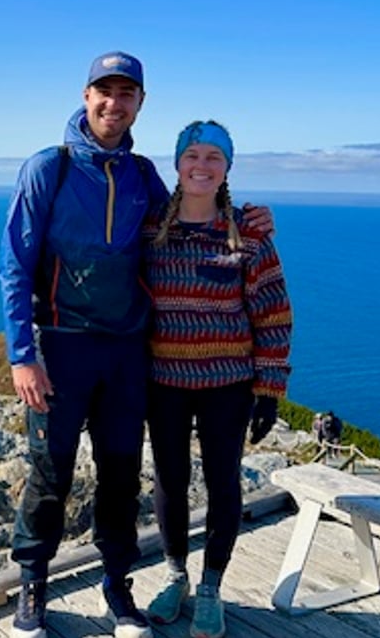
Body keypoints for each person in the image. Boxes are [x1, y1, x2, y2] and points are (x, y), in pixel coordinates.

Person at [0, 55, 272, 638]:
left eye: (127, 93)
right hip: (61, 347)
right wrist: (22, 353)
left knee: (120, 475)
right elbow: (14, 264)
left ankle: (118, 589)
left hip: (126, 354)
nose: (114, 103)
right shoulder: (50, 167)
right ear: (86, 94)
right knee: (51, 473)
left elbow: (189, 204)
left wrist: (248, 217)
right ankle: (32, 587)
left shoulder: (144, 174)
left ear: (140, 104)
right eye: (105, 90)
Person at [141, 121, 292, 638]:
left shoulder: (249, 235)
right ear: (177, 163)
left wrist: (270, 390)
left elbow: (273, 313)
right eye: (192, 156)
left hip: (228, 383)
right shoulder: (149, 229)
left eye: (213, 157)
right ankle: (175, 577)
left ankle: (211, 588)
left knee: (222, 482)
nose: (201, 166)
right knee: (170, 481)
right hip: (163, 381)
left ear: (227, 167)